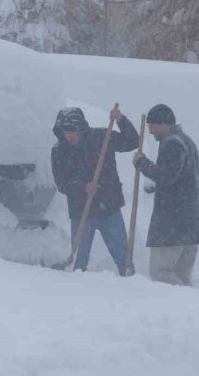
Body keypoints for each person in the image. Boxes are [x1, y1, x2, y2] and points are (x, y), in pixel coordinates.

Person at [51, 106, 139, 276]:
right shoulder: (59, 151)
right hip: (80, 211)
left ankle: (131, 282)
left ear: (81, 128)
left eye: (73, 131)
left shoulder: (102, 138)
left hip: (109, 207)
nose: (69, 136)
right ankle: (78, 288)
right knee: (79, 260)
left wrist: (121, 120)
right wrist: (83, 187)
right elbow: (61, 183)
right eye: (65, 132)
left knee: (122, 256)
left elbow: (132, 141)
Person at [133, 104, 199, 286]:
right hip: (189, 222)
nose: (150, 131)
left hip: (173, 224)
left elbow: (165, 177)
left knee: (161, 273)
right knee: (182, 276)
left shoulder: (172, 143)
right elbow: (177, 177)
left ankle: (179, 302)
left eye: (152, 126)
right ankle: (189, 303)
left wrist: (142, 163)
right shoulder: (186, 140)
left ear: (163, 124)